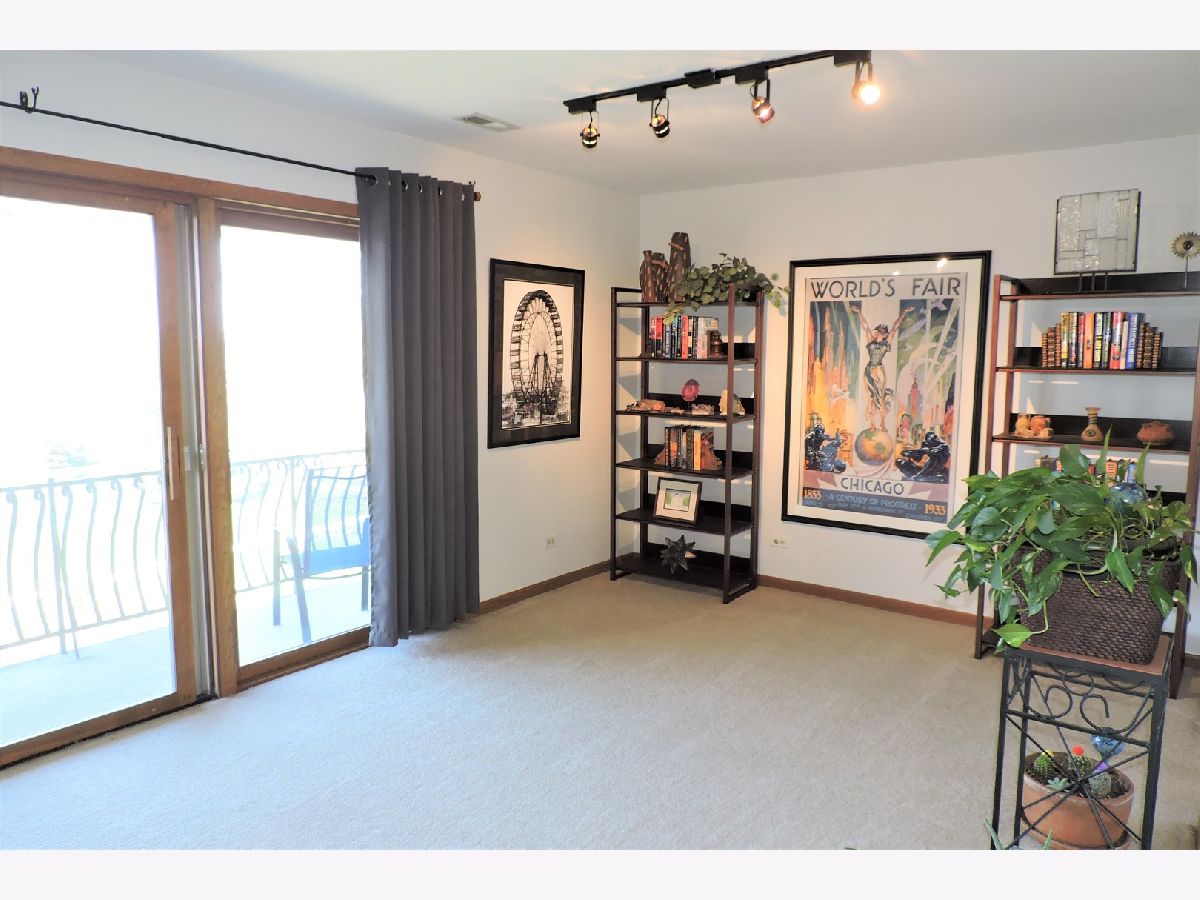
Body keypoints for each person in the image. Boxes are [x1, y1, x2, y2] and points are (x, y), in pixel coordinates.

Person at [851, 303, 911, 432]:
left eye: (883, 333)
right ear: (878, 332)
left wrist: (903, 313)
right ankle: (872, 424)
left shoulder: (886, 342)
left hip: (879, 369)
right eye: (880, 332)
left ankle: (882, 424)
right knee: (869, 397)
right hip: (869, 369)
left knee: (881, 396)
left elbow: (895, 328)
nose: (881, 334)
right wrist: (859, 312)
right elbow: (865, 326)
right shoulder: (871, 340)